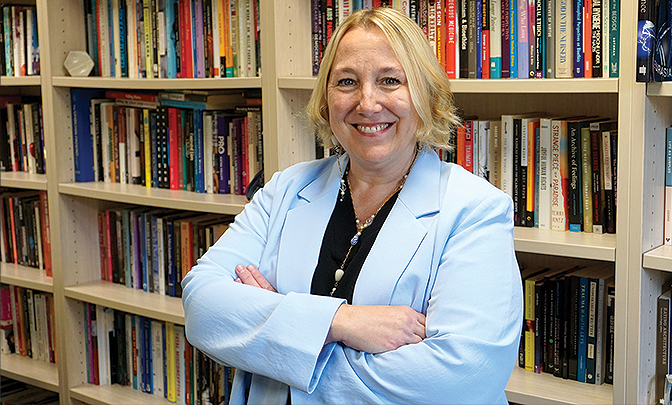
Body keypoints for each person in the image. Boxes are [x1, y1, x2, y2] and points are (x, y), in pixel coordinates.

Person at [182, 7, 523, 404]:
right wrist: (343, 322)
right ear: (326, 98)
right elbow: (203, 308)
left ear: (426, 95)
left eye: (390, 80)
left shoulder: (475, 210)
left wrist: (277, 335)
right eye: (347, 82)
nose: (368, 102)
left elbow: (463, 377)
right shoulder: (287, 188)